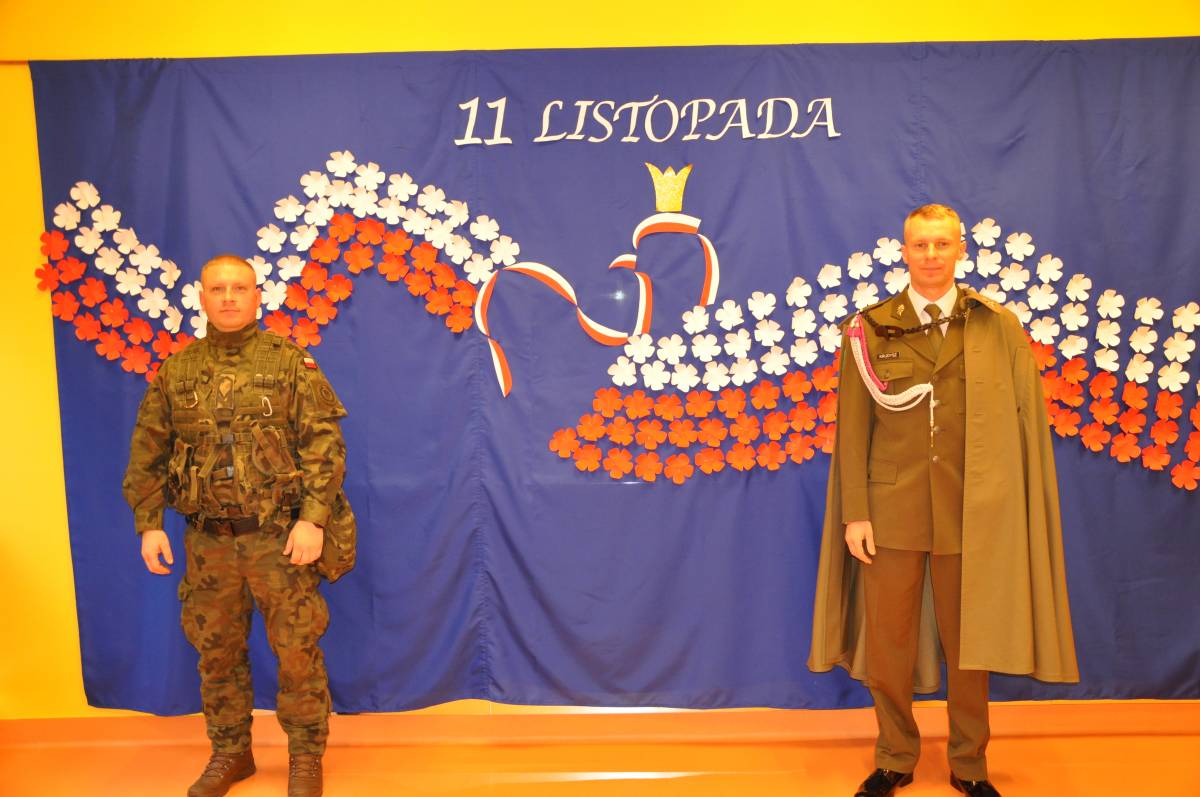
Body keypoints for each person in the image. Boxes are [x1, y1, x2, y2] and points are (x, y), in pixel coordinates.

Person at [808, 204, 1079, 797]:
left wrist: (1009, 507)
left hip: (970, 510)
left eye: (941, 244)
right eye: (920, 244)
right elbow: (853, 430)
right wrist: (856, 512)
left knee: (970, 645)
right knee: (889, 642)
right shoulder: (869, 328)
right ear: (903, 251)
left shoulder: (994, 325)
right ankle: (894, 756)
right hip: (891, 511)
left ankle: (969, 763)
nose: (931, 255)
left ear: (961, 249)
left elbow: (1020, 421)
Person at [124, 254, 349, 797]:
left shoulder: (290, 363)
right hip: (208, 542)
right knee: (216, 651)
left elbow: (324, 447)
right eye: (218, 288)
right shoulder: (176, 371)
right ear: (201, 297)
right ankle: (230, 752)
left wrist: (313, 520)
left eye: (239, 287)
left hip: (279, 539)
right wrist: (149, 522)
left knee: (297, 650)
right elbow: (147, 451)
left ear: (257, 296)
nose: (228, 297)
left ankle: (305, 756)